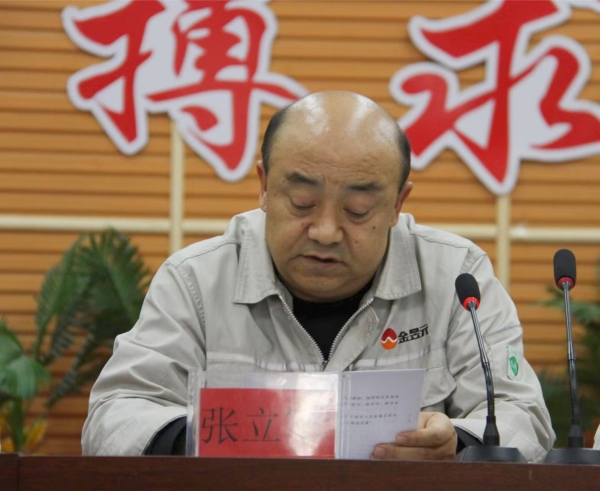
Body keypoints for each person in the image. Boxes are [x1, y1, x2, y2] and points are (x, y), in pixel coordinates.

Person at [82, 91, 554, 461]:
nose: (326, 231)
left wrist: (458, 444)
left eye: (358, 209)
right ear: (264, 186)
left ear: (397, 204)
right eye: (302, 203)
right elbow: (113, 418)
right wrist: (215, 435)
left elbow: (523, 416)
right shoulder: (196, 281)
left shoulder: (456, 277)